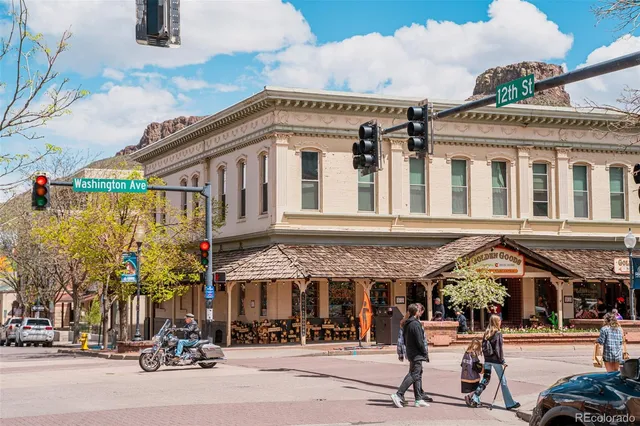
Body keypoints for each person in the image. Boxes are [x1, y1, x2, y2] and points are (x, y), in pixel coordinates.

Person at [466, 315, 520, 410]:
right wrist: (502, 361)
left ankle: (475, 397)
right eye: (499, 320)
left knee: (485, 379)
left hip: (488, 360)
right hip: (496, 361)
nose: (500, 322)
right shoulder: (497, 333)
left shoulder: (486, 333)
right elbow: (498, 349)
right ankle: (509, 403)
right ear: (496, 322)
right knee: (503, 381)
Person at [391, 304, 429, 408]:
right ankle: (399, 394)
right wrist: (424, 353)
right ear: (416, 312)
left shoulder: (406, 323)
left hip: (411, 352)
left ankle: (418, 399)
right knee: (414, 374)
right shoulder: (415, 324)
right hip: (416, 353)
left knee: (417, 375)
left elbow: (404, 340)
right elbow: (420, 341)